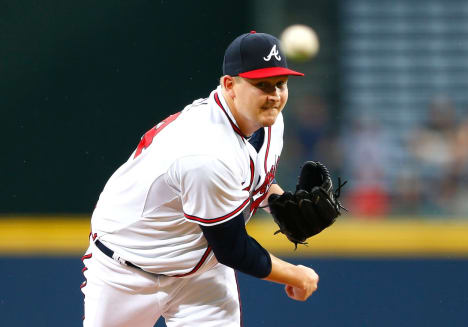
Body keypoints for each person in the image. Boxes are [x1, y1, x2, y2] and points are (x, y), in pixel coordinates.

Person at [81, 31, 319, 327]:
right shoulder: (205, 151)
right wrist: (297, 275)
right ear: (230, 85)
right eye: (261, 85)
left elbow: (250, 178)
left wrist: (280, 204)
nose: (274, 95)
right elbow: (233, 248)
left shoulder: (268, 119)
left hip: (202, 273)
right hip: (128, 272)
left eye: (280, 84)